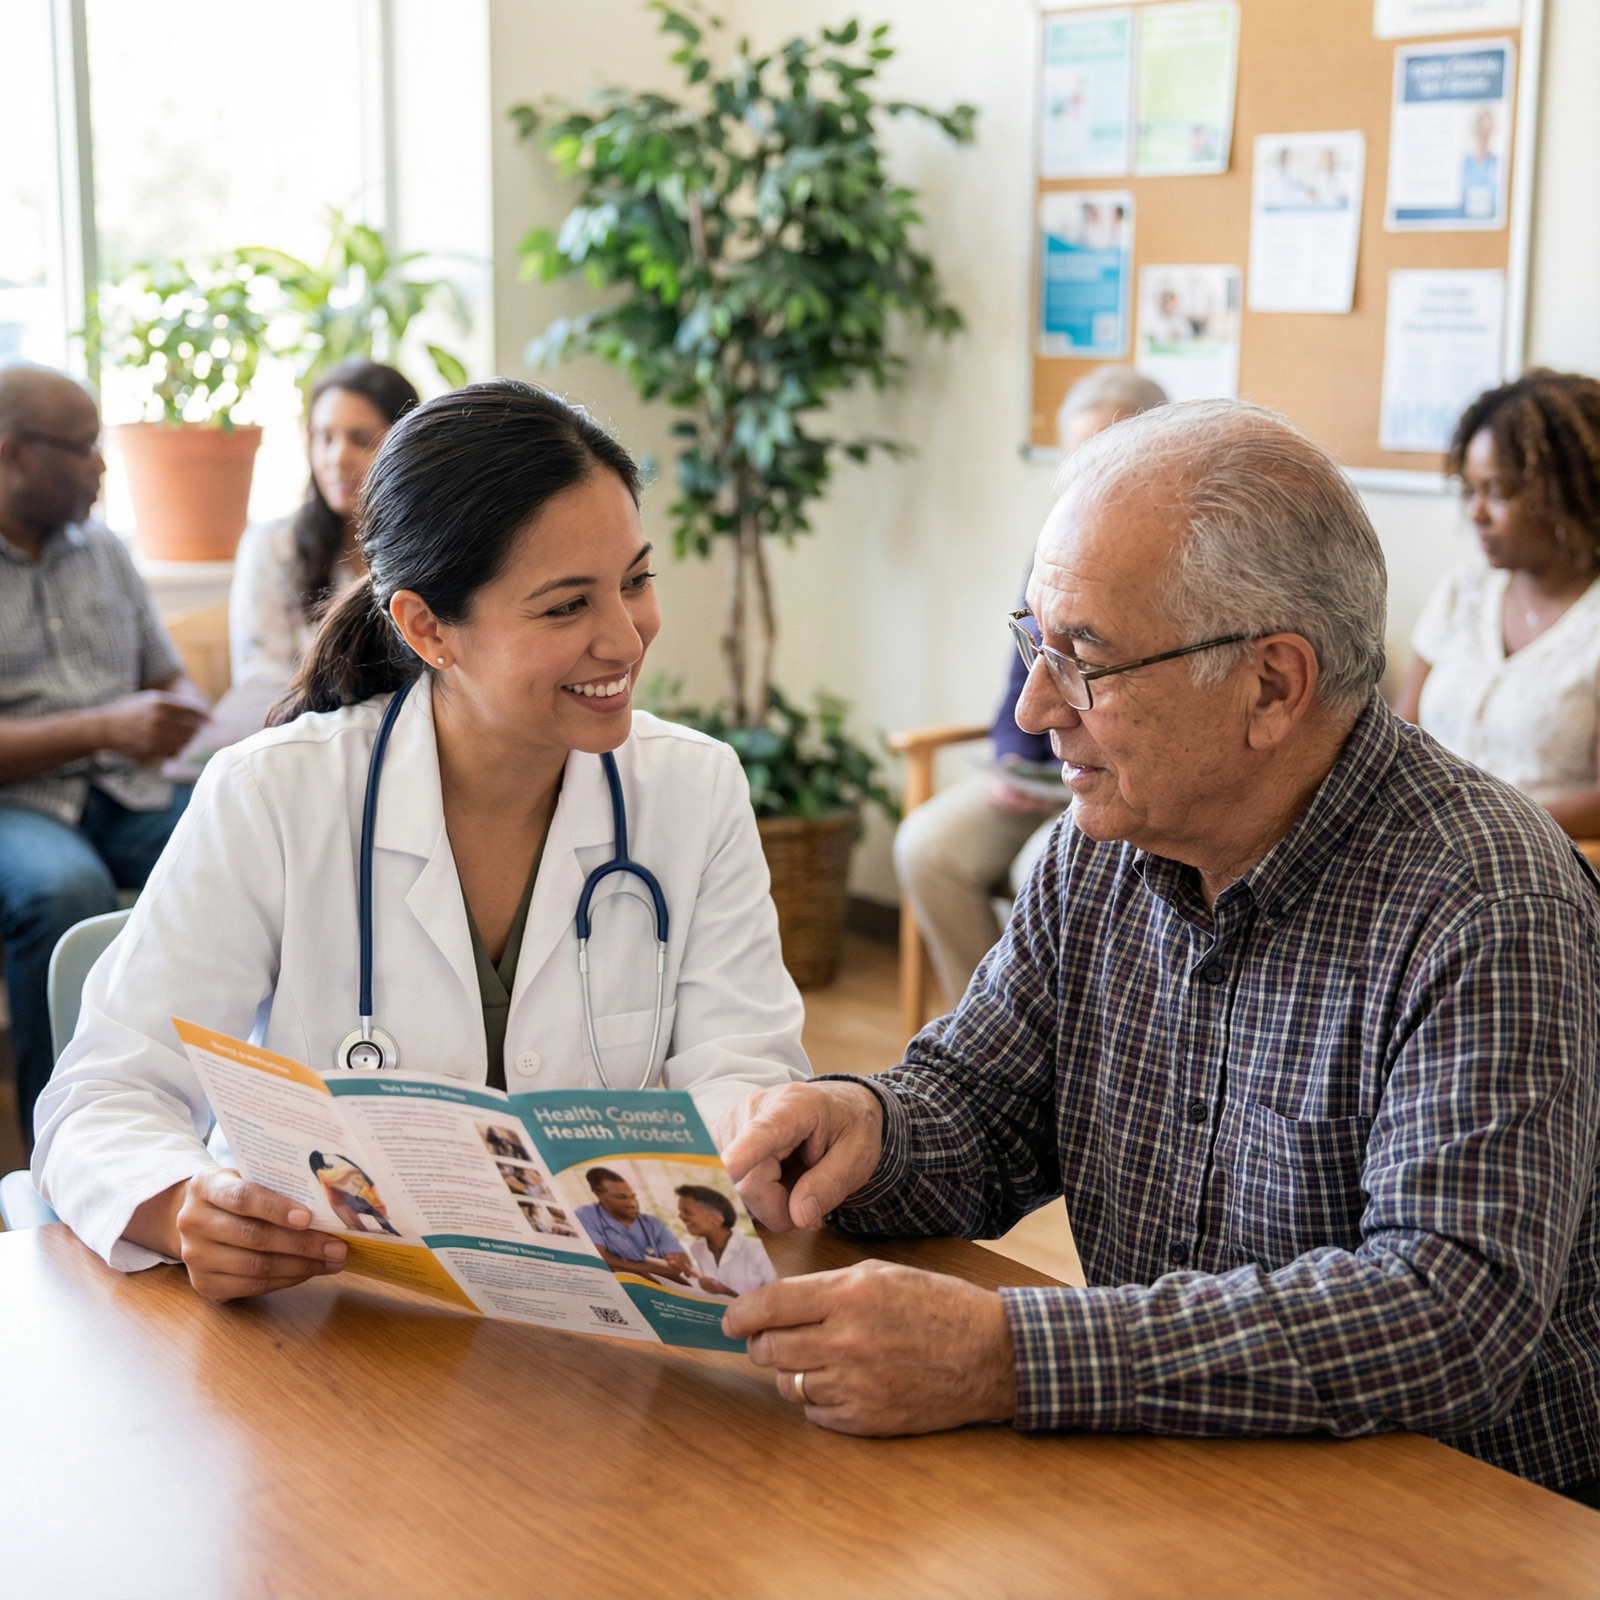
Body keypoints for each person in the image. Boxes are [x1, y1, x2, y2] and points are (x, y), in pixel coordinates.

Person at [719, 400, 1600, 1509]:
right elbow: (983, 1108)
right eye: (1033, 642)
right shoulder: (1094, 852)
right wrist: (864, 1123)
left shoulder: (1483, 897)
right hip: (1177, 1470)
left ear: (1272, 685)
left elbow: (1441, 1313)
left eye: (1083, 658)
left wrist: (1007, 1352)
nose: (1037, 706)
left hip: (1459, 1518)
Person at [31, 379, 810, 1300]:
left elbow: (745, 1074)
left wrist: (735, 1163)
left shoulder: (692, 787)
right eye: (565, 607)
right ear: (428, 627)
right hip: (330, 1321)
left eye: (636, 581)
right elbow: (102, 1096)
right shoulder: (275, 795)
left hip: (596, 1332)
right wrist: (181, 1205)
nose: (624, 638)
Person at [893, 366, 1167, 1005]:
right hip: (1037, 775)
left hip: (1108, 780)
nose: (1085, 478)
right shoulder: (1057, 548)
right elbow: (1023, 676)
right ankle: (985, 1025)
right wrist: (1012, 756)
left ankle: (1059, 1041)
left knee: (1037, 872)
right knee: (926, 847)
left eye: (1104, 456)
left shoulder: (1172, 571)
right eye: (1075, 459)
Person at [0, 362, 208, 1145]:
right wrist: (104, 727)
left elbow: (167, 675)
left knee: (252, 837)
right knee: (62, 891)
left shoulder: (107, 551)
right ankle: (62, 1151)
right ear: (14, 453)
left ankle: (221, 1121)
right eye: (83, 447)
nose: (102, 466)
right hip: (19, 803)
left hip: (131, 791)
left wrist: (180, 712)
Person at [1395, 371, 1600, 840]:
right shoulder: (1463, 590)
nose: (1476, 513)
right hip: (1431, 854)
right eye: (1471, 490)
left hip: (1548, 868)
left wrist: (1478, 823)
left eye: (1498, 491)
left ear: (1568, 492)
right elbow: (1401, 733)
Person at [230, 360, 419, 693]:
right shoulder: (274, 546)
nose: (336, 458)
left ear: (402, 447)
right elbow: (260, 679)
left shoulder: (427, 545)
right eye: (324, 437)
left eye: (360, 440)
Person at [575, 1167, 692, 1284]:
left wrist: (628, 1266)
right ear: (597, 1193)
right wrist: (655, 1269)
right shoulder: (586, 1214)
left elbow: (683, 1267)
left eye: (633, 1196)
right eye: (621, 1197)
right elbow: (601, 1258)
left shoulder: (655, 1224)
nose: (632, 1204)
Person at [675, 1183, 776, 1297]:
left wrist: (726, 1292)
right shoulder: (695, 1249)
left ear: (717, 1218)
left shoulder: (757, 1251)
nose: (681, 1216)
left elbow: (777, 1300)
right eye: (680, 1211)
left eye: (687, 1211)